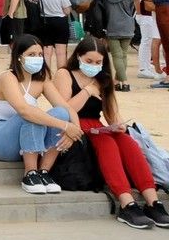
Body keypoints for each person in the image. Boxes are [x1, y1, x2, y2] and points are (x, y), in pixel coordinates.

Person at [53, 37, 169, 229]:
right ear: (79, 56)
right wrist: (88, 91)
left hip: (98, 125)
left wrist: (118, 125)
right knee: (107, 145)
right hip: (74, 126)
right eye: (89, 61)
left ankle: (153, 201)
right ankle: (126, 202)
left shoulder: (102, 78)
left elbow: (111, 112)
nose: (94, 66)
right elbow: (64, 109)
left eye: (98, 62)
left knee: (128, 143)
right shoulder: (64, 74)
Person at [0, 34, 81, 193]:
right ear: (19, 57)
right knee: (31, 114)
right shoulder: (8, 77)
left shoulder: (42, 80)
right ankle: (30, 173)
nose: (37, 58)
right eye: (31, 55)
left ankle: (44, 172)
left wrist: (75, 129)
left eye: (40, 55)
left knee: (60, 113)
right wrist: (65, 126)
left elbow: (65, 107)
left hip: (25, 137)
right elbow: (24, 110)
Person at [97, 0, 136, 91]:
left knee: (117, 56)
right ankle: (118, 82)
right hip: (128, 26)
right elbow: (131, 9)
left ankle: (124, 82)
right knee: (123, 55)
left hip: (113, 26)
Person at [36, 0, 72, 71]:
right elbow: (67, 11)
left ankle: (46, 76)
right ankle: (61, 75)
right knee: (60, 53)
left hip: (45, 22)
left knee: (46, 52)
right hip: (60, 22)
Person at [134, 0, 162, 80]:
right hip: (144, 15)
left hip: (148, 14)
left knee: (149, 40)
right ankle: (143, 68)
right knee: (146, 41)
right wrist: (139, 12)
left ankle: (147, 66)